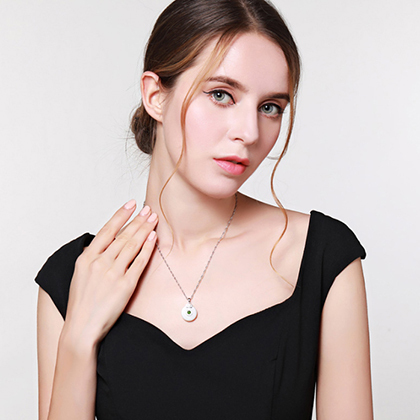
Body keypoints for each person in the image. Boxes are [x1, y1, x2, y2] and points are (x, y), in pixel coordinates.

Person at [35, 0, 373, 419]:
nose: (249, 132)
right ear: (155, 96)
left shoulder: (321, 258)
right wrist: (77, 341)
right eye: (221, 95)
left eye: (270, 107)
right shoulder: (74, 277)